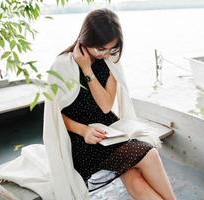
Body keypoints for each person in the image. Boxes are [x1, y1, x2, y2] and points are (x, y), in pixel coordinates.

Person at [56, 8, 176, 200]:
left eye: (111, 49)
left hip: (109, 131)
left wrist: (87, 68)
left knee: (135, 179)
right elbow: (53, 115)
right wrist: (84, 131)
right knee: (150, 154)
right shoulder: (63, 65)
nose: (105, 54)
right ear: (85, 40)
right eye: (100, 49)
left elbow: (105, 106)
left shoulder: (110, 60)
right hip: (81, 139)